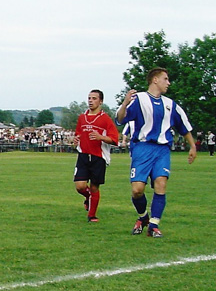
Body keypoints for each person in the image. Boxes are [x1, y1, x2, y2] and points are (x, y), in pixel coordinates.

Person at [116, 67, 197, 238]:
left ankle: (154, 225)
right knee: (137, 190)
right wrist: (124, 103)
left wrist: (192, 146)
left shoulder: (170, 105)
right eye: (165, 79)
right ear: (155, 80)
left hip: (162, 149)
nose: (168, 83)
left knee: (161, 183)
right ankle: (143, 217)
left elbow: (184, 127)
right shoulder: (139, 99)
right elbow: (121, 119)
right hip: (142, 148)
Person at [73, 90, 119, 222]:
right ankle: (89, 198)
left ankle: (92, 215)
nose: (90, 101)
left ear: (101, 101)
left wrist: (101, 137)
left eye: (94, 98)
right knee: (80, 186)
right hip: (83, 156)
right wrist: (76, 139)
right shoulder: (82, 117)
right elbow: (78, 134)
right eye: (89, 98)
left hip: (98, 157)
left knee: (94, 186)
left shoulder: (105, 119)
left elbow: (114, 139)